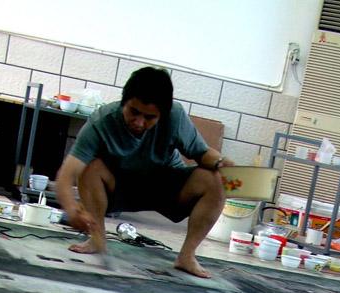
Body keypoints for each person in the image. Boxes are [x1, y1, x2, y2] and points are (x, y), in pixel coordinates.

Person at [54, 66, 233, 278]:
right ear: (123, 102)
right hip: (120, 187)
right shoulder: (101, 121)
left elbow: (202, 153)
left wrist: (221, 162)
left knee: (214, 179)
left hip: (165, 186)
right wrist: (72, 208)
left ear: (162, 114)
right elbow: (66, 174)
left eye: (150, 117)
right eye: (134, 112)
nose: (139, 123)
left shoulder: (175, 116)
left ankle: (187, 256)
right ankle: (97, 239)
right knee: (90, 168)